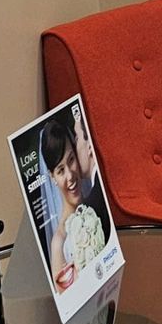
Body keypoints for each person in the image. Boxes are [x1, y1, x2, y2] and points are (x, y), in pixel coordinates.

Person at [39, 114, 110, 293]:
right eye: (60, 170)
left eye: (71, 160)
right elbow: (67, 301)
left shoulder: (98, 204)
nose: (70, 176)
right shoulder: (59, 243)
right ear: (52, 177)